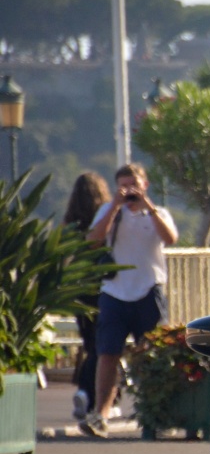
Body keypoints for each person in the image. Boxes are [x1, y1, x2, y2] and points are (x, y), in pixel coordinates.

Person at [80, 163, 179, 438]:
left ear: (145, 185)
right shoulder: (110, 211)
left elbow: (170, 238)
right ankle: (101, 415)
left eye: (134, 185)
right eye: (124, 185)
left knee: (151, 354)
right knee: (108, 354)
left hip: (149, 290)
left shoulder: (158, 213)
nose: (130, 191)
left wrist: (146, 205)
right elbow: (93, 241)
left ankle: (155, 414)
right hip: (115, 291)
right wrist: (114, 206)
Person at [62, 171, 110, 421]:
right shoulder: (105, 221)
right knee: (103, 348)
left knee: (90, 343)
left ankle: (86, 392)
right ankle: (89, 393)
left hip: (78, 290)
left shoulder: (70, 225)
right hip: (102, 286)